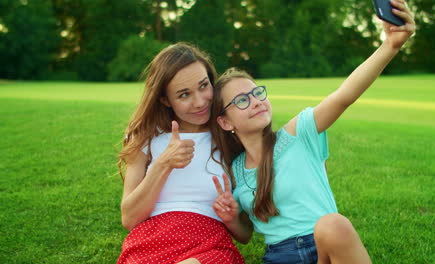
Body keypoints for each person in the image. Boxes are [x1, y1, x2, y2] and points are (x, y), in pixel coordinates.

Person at [209, 1, 416, 263]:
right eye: (242, 100)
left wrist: (390, 45)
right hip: (279, 256)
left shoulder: (298, 133)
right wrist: (231, 220)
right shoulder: (236, 170)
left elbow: (344, 96)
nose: (256, 101)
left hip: (326, 247)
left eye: (257, 93)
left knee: (333, 225)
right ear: (226, 123)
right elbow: (246, 234)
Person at [116, 42, 245, 264]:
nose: (199, 102)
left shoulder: (229, 132)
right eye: (184, 95)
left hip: (209, 243)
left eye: (204, 86)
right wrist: (162, 164)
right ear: (165, 100)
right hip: (151, 242)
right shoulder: (146, 137)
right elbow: (129, 218)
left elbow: (245, 233)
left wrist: (231, 217)